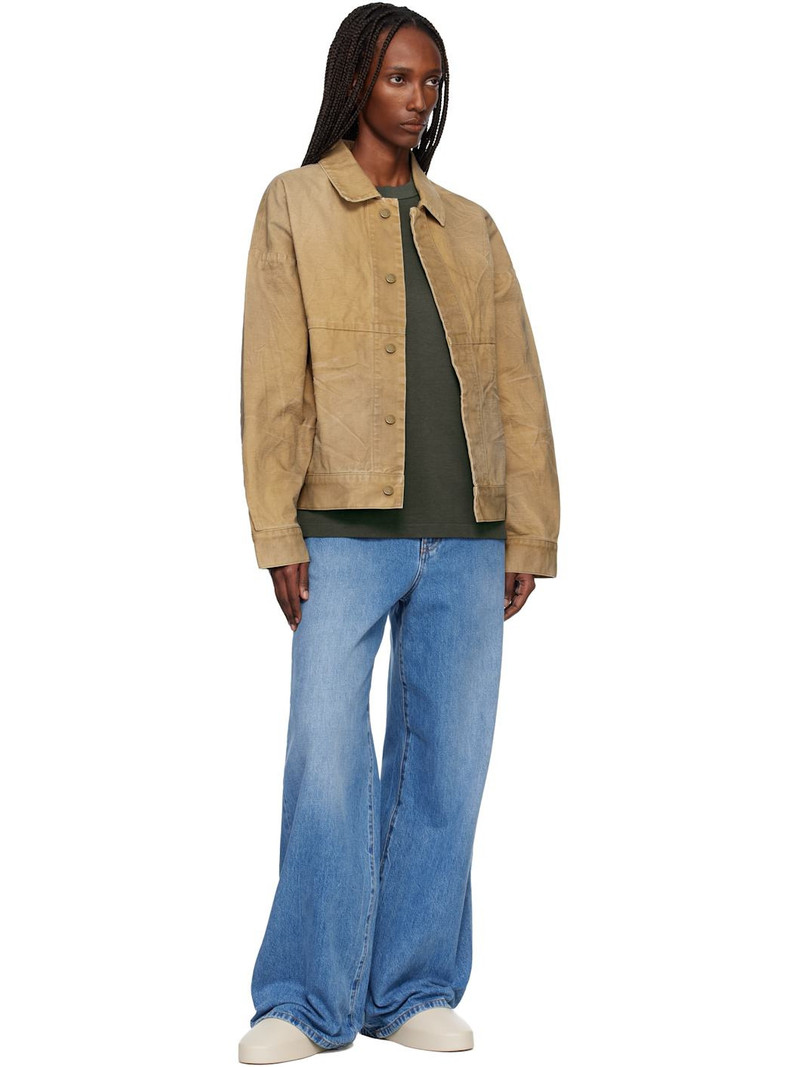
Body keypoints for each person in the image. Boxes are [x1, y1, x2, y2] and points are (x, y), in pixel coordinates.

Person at [237, 4, 560, 1062]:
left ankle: (411, 985)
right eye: (399, 79)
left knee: (447, 768)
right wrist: (276, 528)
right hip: (341, 529)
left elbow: (517, 381)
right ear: (354, 83)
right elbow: (271, 378)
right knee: (327, 765)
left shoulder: (470, 225)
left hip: (468, 535)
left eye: (431, 82)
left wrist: (528, 532)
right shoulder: (295, 203)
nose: (419, 100)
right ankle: (301, 1000)